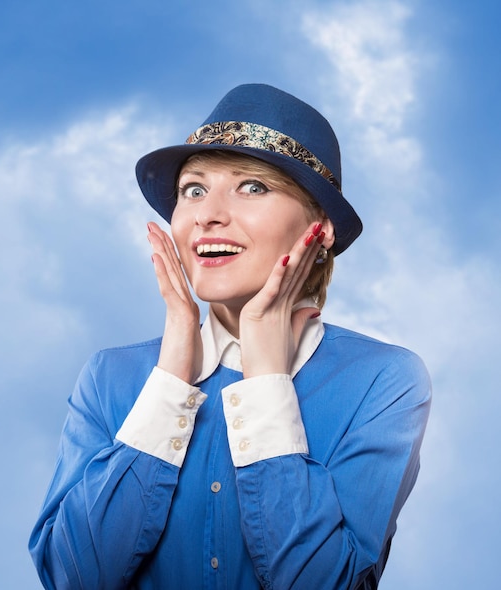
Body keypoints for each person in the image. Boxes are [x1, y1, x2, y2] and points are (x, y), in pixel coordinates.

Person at [29, 84, 431, 590]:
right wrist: (172, 378)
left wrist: (266, 381)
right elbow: (74, 578)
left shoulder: (381, 379)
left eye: (253, 187)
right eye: (193, 189)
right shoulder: (111, 376)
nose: (207, 213)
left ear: (321, 227)